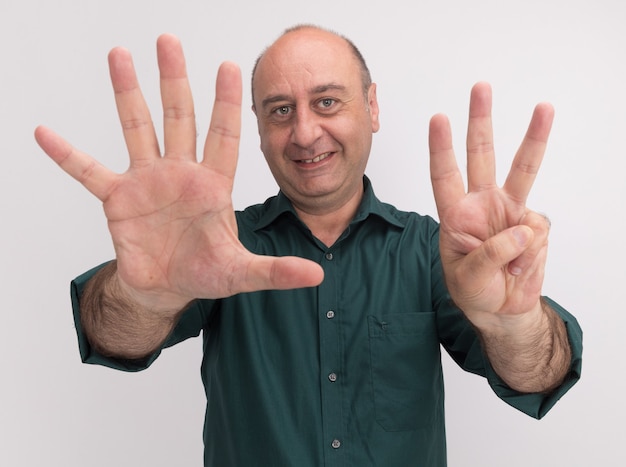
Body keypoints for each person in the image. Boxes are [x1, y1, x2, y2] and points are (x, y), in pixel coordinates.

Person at [35, 25, 582, 466]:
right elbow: (111, 335)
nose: (303, 133)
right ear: (258, 127)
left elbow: (539, 374)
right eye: (279, 110)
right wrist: (143, 296)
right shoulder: (222, 246)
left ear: (371, 107)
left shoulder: (436, 251)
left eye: (326, 102)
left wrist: (516, 326)